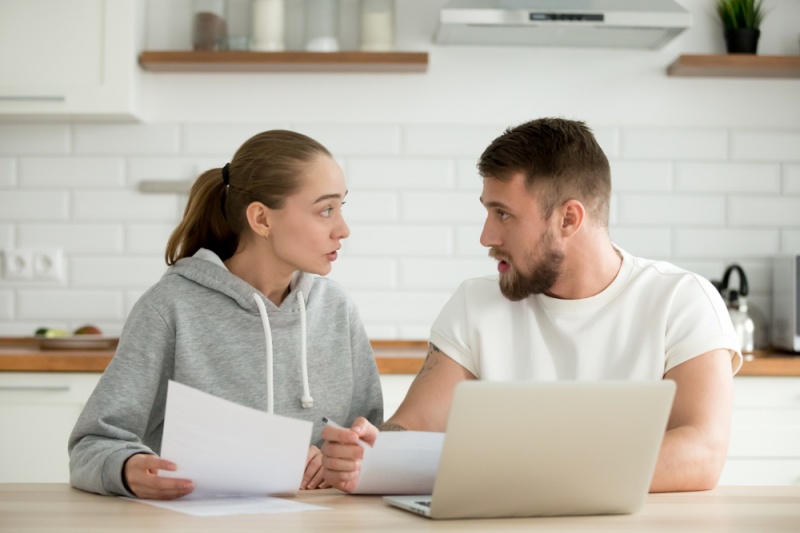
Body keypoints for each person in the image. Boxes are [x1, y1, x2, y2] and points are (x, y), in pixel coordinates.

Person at [321, 117, 742, 494]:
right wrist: (371, 448)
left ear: (568, 219)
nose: (486, 236)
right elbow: (415, 427)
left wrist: (536, 473)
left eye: (503, 214)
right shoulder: (476, 305)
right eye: (488, 212)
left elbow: (701, 454)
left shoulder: (681, 300)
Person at [69, 130, 383, 499]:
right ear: (262, 219)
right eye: (326, 210)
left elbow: (368, 443)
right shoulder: (170, 308)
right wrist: (126, 469)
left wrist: (346, 457)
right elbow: (91, 447)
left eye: (342, 207)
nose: (343, 229)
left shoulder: (335, 309)